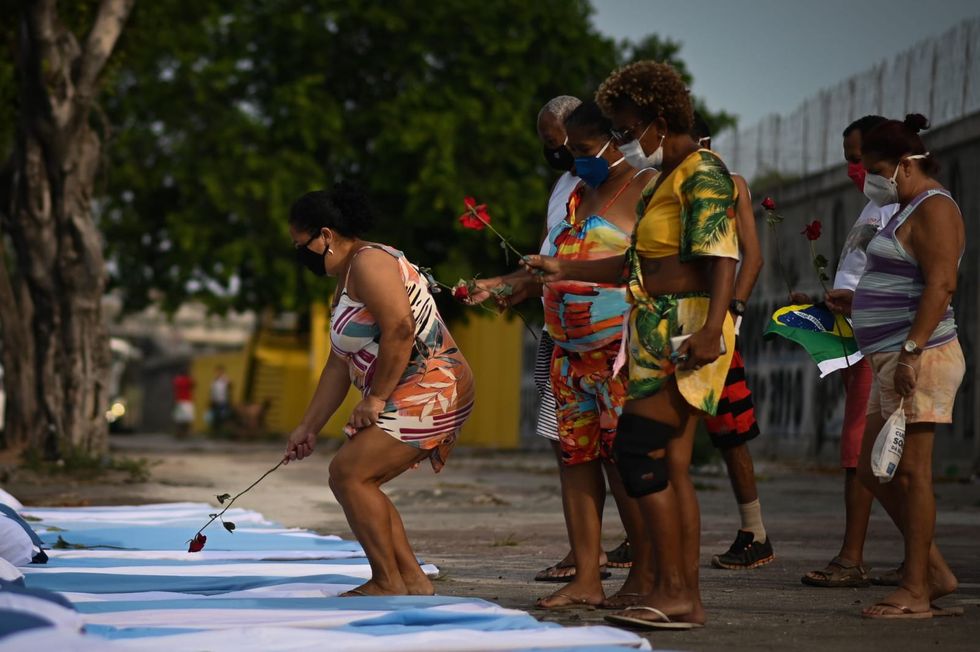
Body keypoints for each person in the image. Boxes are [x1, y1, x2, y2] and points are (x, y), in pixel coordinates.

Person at [526, 60, 739, 629]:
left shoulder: (702, 173)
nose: (621, 141)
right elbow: (633, 263)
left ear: (657, 119)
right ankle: (673, 591)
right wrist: (557, 265)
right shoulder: (665, 180)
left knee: (651, 455)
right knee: (653, 457)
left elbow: (723, 258)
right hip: (649, 333)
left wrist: (714, 327)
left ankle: (678, 592)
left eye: (625, 128)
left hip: (686, 330)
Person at [480, 102, 653, 608]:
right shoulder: (576, 194)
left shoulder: (645, 189)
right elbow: (550, 268)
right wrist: (502, 286)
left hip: (620, 355)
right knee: (577, 459)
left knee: (626, 462)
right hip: (568, 358)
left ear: (614, 139)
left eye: (580, 149)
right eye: (567, 152)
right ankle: (587, 576)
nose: (573, 160)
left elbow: (650, 267)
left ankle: (645, 574)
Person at [283, 183, 475, 597]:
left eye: (303, 245)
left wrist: (375, 399)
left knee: (350, 473)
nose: (302, 255)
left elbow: (401, 330)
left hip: (433, 386)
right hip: (412, 387)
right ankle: (410, 580)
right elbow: (338, 363)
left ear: (327, 235)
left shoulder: (370, 262)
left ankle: (388, 581)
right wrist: (308, 427)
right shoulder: (347, 274)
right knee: (356, 476)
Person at [839, 114, 964, 619]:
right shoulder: (902, 207)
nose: (870, 178)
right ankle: (932, 570)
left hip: (921, 356)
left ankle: (916, 589)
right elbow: (902, 277)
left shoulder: (935, 208)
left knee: (912, 474)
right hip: (891, 354)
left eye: (876, 169)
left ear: (905, 165)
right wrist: (857, 302)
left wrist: (912, 350)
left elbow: (940, 286)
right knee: (875, 469)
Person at [801, 115, 901, 589]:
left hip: (880, 340)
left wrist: (860, 303)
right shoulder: (872, 209)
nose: (852, 171)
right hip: (857, 336)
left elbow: (915, 284)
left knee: (860, 452)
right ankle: (922, 559)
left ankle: (851, 557)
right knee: (877, 454)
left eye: (857, 160)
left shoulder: (901, 210)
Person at [690, 113, 773, 570]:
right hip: (671, 317)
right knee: (662, 430)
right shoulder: (662, 181)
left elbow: (751, 257)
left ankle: (754, 530)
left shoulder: (728, 182)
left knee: (730, 430)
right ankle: (641, 534)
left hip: (711, 319)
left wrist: (732, 311)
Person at [172, 372, 195, 439]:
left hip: (179, 401)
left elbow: (174, 386)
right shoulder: (188, 380)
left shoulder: (177, 380)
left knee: (179, 419)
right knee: (187, 419)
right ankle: (186, 433)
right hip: (187, 401)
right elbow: (193, 385)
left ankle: (179, 433)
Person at [209, 366, 231, 433]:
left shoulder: (225, 380)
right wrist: (211, 399)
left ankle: (223, 431)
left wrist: (224, 378)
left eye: (220, 371)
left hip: (223, 401)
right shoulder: (214, 381)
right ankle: (216, 431)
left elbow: (230, 385)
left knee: (223, 416)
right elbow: (212, 391)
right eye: (217, 371)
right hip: (215, 402)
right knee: (215, 417)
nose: (218, 373)